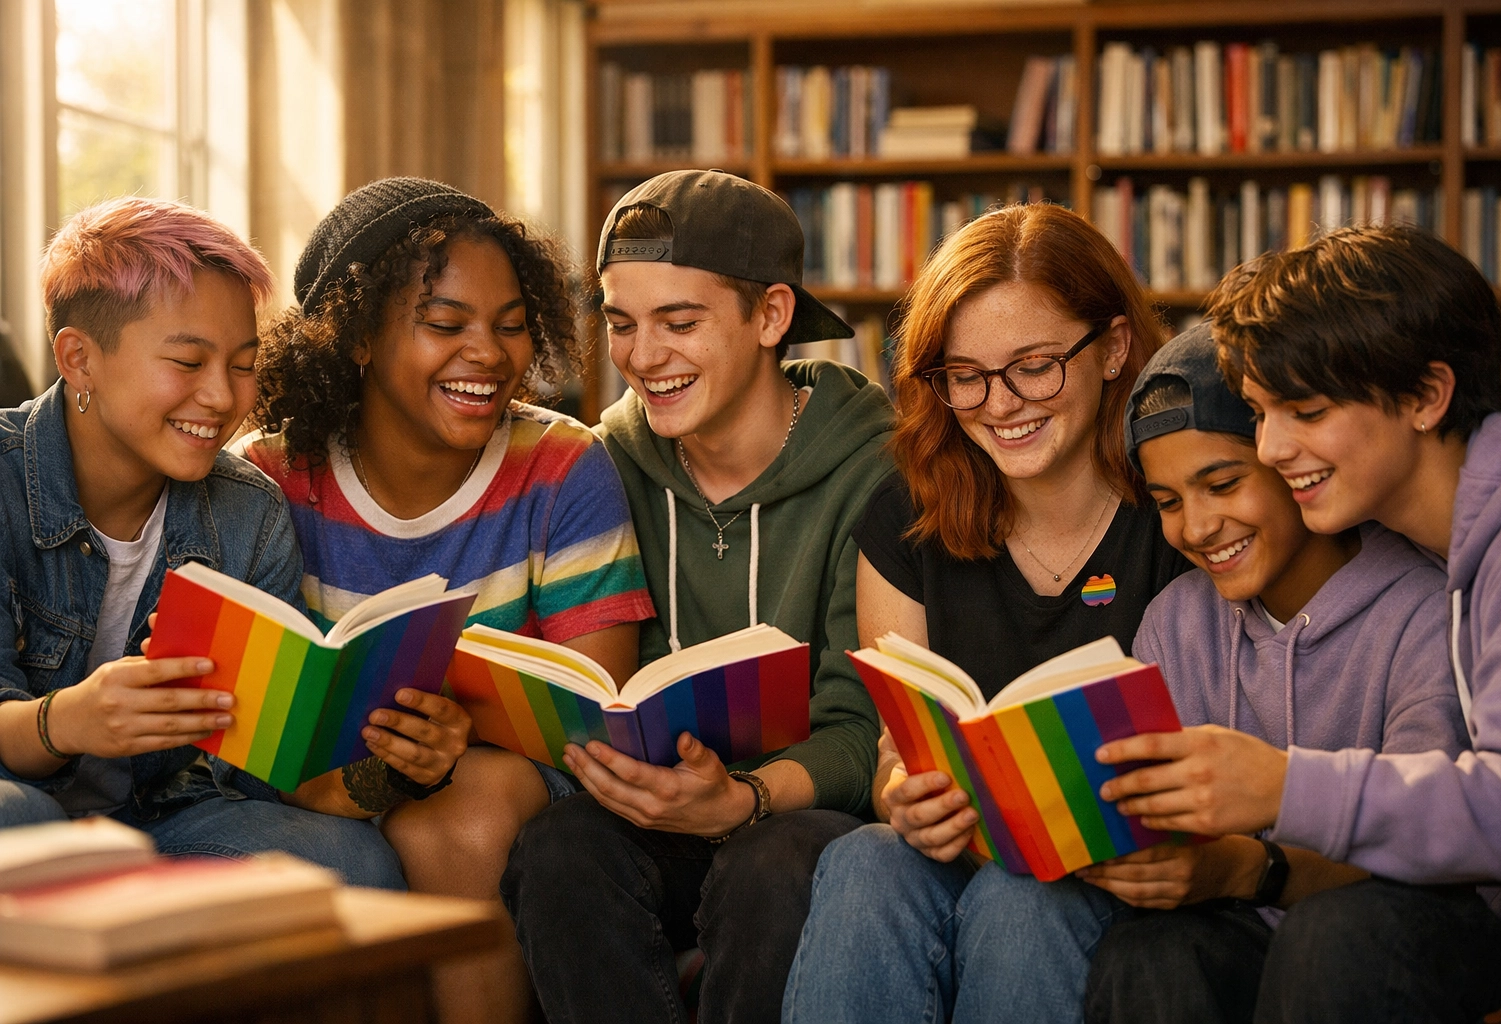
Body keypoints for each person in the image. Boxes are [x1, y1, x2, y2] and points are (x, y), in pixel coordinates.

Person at [239, 177, 656, 1022]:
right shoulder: (270, 476)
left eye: (510, 324)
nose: (489, 354)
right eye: (445, 323)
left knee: (453, 820)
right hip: (319, 781)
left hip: (505, 777)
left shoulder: (561, 466)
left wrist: (452, 735)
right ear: (358, 337)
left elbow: (590, 707)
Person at [1096, 225, 1501, 1021]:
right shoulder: (1460, 541)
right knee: (1153, 952)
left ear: (1427, 396)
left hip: (1475, 929)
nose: (1272, 447)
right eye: (1261, 414)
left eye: (1305, 411)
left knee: (1340, 937)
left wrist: (1280, 786)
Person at [501, 170, 894, 1024]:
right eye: (621, 323)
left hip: (804, 814)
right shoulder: (600, 461)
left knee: (773, 867)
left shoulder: (876, 471)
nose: (643, 357)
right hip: (656, 808)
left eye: (680, 323)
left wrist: (744, 799)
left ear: (772, 316)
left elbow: (868, 729)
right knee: (560, 850)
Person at [783, 202, 1186, 1024]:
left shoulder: (1180, 508)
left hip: (1122, 868)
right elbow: (897, 754)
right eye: (965, 375)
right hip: (961, 851)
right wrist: (903, 795)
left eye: (1035, 366)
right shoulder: (907, 514)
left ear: (1113, 347)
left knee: (1023, 895)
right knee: (866, 859)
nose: (1000, 404)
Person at [0, 196, 402, 888]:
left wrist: (392, 762)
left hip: (164, 815)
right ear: (79, 359)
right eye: (188, 362)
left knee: (352, 860)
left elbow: (261, 766)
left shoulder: (249, 513)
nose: (221, 397)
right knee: (24, 823)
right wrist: (66, 721)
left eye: (243, 364)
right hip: (20, 799)